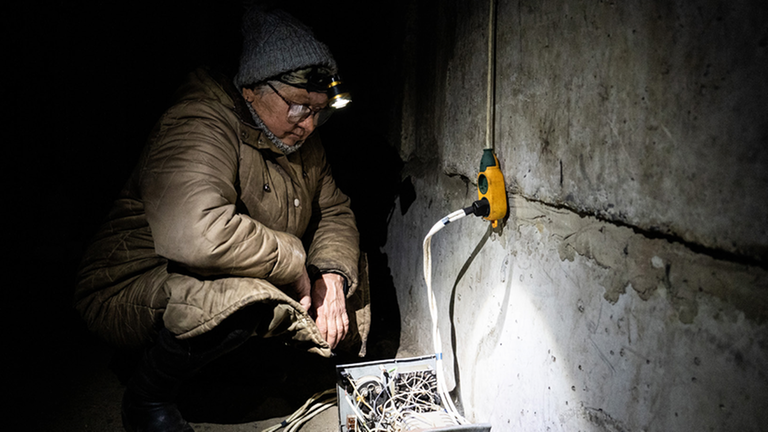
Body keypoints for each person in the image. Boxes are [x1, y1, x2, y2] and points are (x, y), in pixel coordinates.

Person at [74, 7, 369, 432]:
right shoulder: (198, 121)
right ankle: (147, 398)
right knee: (245, 296)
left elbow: (335, 211)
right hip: (133, 282)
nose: (309, 124)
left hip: (215, 274)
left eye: (320, 111)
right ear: (252, 90)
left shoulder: (302, 138)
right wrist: (294, 261)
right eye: (299, 107)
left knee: (345, 267)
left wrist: (330, 275)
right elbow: (197, 233)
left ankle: (242, 370)